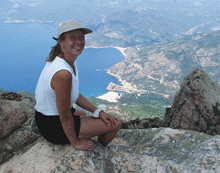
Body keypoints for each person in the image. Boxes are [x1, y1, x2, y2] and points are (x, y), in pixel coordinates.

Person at [35, 20, 122, 151]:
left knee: (81, 112)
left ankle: (93, 140)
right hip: (53, 126)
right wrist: (75, 142)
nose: (79, 41)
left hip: (45, 118)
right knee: (116, 123)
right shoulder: (63, 73)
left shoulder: (64, 60)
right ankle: (101, 149)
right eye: (73, 37)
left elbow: (73, 94)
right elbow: (65, 116)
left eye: (81, 37)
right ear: (61, 41)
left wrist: (98, 111)